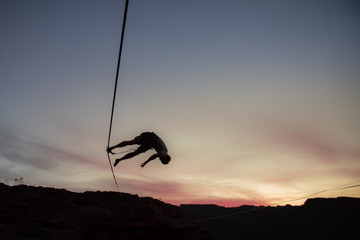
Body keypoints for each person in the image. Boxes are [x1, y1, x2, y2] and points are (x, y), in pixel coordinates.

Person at [107, 132, 171, 168]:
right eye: (161, 160)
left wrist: (146, 162)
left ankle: (112, 149)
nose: (160, 159)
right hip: (151, 139)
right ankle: (118, 158)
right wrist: (146, 162)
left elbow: (155, 156)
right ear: (164, 158)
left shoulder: (165, 151)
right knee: (134, 151)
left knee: (131, 143)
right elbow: (154, 156)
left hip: (151, 137)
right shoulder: (164, 154)